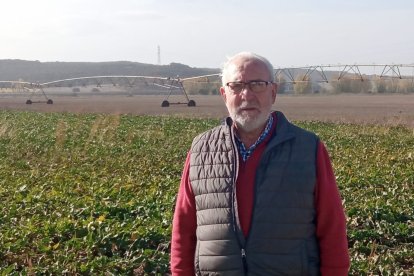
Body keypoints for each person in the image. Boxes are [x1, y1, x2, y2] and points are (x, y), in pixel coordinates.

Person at [170, 52, 350, 275]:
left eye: (257, 84)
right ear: (224, 94)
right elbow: (183, 229)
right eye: (236, 86)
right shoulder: (201, 149)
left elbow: (332, 228)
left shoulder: (308, 148)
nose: (246, 95)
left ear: (273, 92)